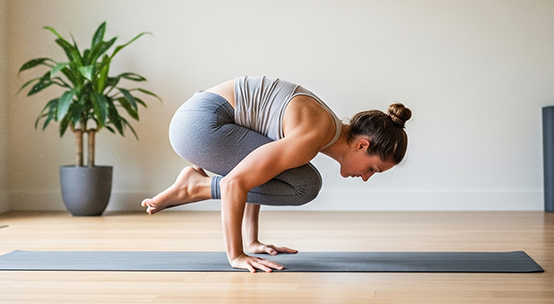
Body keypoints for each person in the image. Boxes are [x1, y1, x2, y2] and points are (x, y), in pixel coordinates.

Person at [141, 76, 411, 273]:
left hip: (201, 120)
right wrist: (236, 255)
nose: (366, 177)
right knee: (305, 185)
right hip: (200, 125)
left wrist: (252, 240)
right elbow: (238, 181)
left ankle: (198, 186)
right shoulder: (314, 134)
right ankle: (196, 186)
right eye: (372, 169)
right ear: (362, 145)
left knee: (301, 179)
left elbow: (259, 166)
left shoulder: (322, 128)